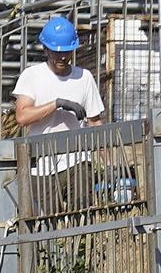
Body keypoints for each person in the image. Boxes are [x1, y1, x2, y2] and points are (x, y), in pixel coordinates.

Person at [12, 15, 106, 213]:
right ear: (45, 49)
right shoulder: (32, 76)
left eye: (66, 52)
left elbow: (95, 123)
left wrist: (110, 164)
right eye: (56, 52)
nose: (62, 57)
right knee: (49, 221)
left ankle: (81, 243)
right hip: (41, 165)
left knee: (82, 213)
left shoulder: (84, 77)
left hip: (78, 158)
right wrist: (56, 104)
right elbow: (22, 116)